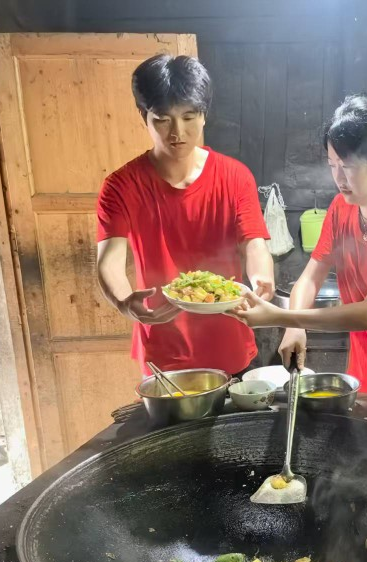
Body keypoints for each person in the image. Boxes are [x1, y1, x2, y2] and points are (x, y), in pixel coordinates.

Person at [232, 95, 367, 394]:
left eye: (348, 165)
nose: (339, 177)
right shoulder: (341, 208)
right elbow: (310, 278)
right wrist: (294, 327)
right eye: (332, 164)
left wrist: (277, 316)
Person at [96, 54, 274, 377]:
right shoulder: (120, 186)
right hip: (163, 347)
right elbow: (109, 260)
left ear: (203, 116)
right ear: (144, 116)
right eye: (163, 119)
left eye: (189, 116)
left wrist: (262, 278)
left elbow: (254, 244)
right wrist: (124, 301)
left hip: (229, 340)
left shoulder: (235, 177)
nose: (177, 132)